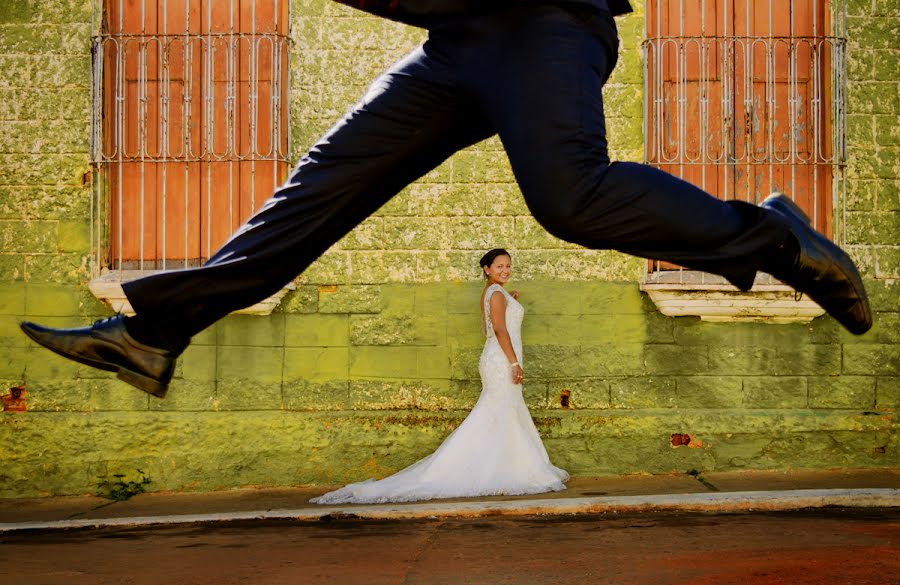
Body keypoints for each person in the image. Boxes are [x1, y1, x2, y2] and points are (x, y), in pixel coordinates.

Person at [20, 0, 871, 399]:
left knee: (569, 200)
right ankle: (151, 334)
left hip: (544, 21)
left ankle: (772, 239)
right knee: (322, 187)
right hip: (455, 46)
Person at [311, 249, 568, 504]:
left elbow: (490, 326)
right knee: (499, 412)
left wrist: (509, 301)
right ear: (487, 269)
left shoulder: (493, 293)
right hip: (502, 361)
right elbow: (499, 329)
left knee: (503, 412)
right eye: (499, 266)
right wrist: (513, 362)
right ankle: (492, 470)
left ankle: (503, 468)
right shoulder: (496, 294)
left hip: (496, 358)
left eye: (508, 266)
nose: (505, 270)